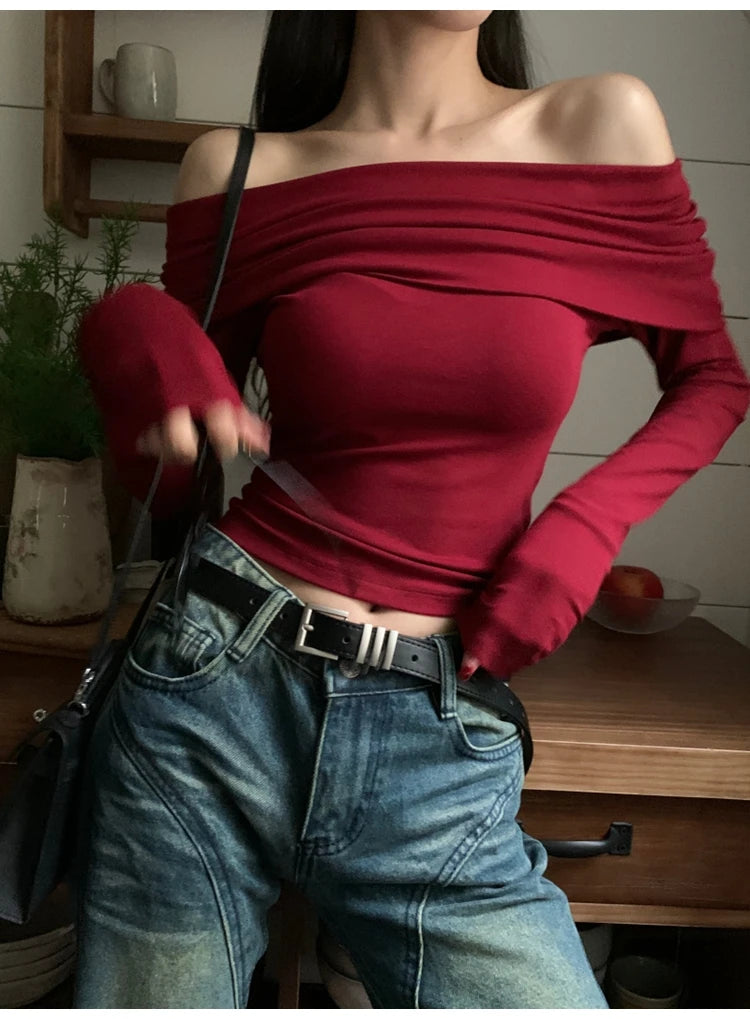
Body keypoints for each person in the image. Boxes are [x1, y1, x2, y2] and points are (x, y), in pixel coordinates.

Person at [72, 10, 750, 1009]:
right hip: (212, 686)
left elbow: (713, 380)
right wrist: (129, 336)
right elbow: (179, 493)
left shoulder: (600, 126)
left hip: (439, 735)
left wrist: (584, 528)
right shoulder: (239, 168)